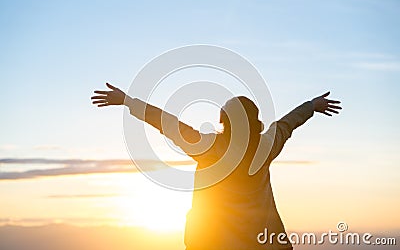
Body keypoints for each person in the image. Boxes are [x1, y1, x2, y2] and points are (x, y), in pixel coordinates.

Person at [91, 83, 342, 250]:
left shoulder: (208, 148)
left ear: (223, 122)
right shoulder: (265, 146)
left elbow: (167, 123)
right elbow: (287, 123)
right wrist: (312, 105)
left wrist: (127, 101)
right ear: (255, 121)